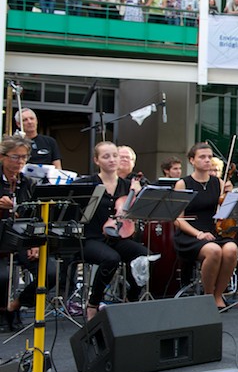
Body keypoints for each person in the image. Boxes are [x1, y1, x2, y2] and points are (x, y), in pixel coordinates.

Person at [74, 141, 152, 321]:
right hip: (91, 239)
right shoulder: (87, 184)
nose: (112, 160)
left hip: (118, 238)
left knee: (145, 256)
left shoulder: (128, 185)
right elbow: (74, 211)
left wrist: (137, 196)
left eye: (115, 156)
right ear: (96, 160)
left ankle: (131, 298)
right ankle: (93, 303)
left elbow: (139, 215)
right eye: (106, 156)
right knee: (111, 259)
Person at [0, 136, 60, 332]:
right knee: (2, 276)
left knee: (49, 273)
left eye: (24, 157)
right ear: (2, 157)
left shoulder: (29, 183)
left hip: (22, 240)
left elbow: (35, 216)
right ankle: (2, 311)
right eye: (15, 157)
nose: (20, 162)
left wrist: (35, 242)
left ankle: (16, 305)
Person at [173, 142, 238, 311]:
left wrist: (229, 195)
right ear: (192, 160)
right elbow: (177, 219)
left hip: (213, 230)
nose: (207, 160)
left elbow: (226, 213)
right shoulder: (183, 184)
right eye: (202, 157)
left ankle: (219, 294)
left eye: (209, 157)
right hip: (190, 233)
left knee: (231, 249)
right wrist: (199, 234)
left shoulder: (218, 183)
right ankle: (208, 295)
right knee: (213, 251)